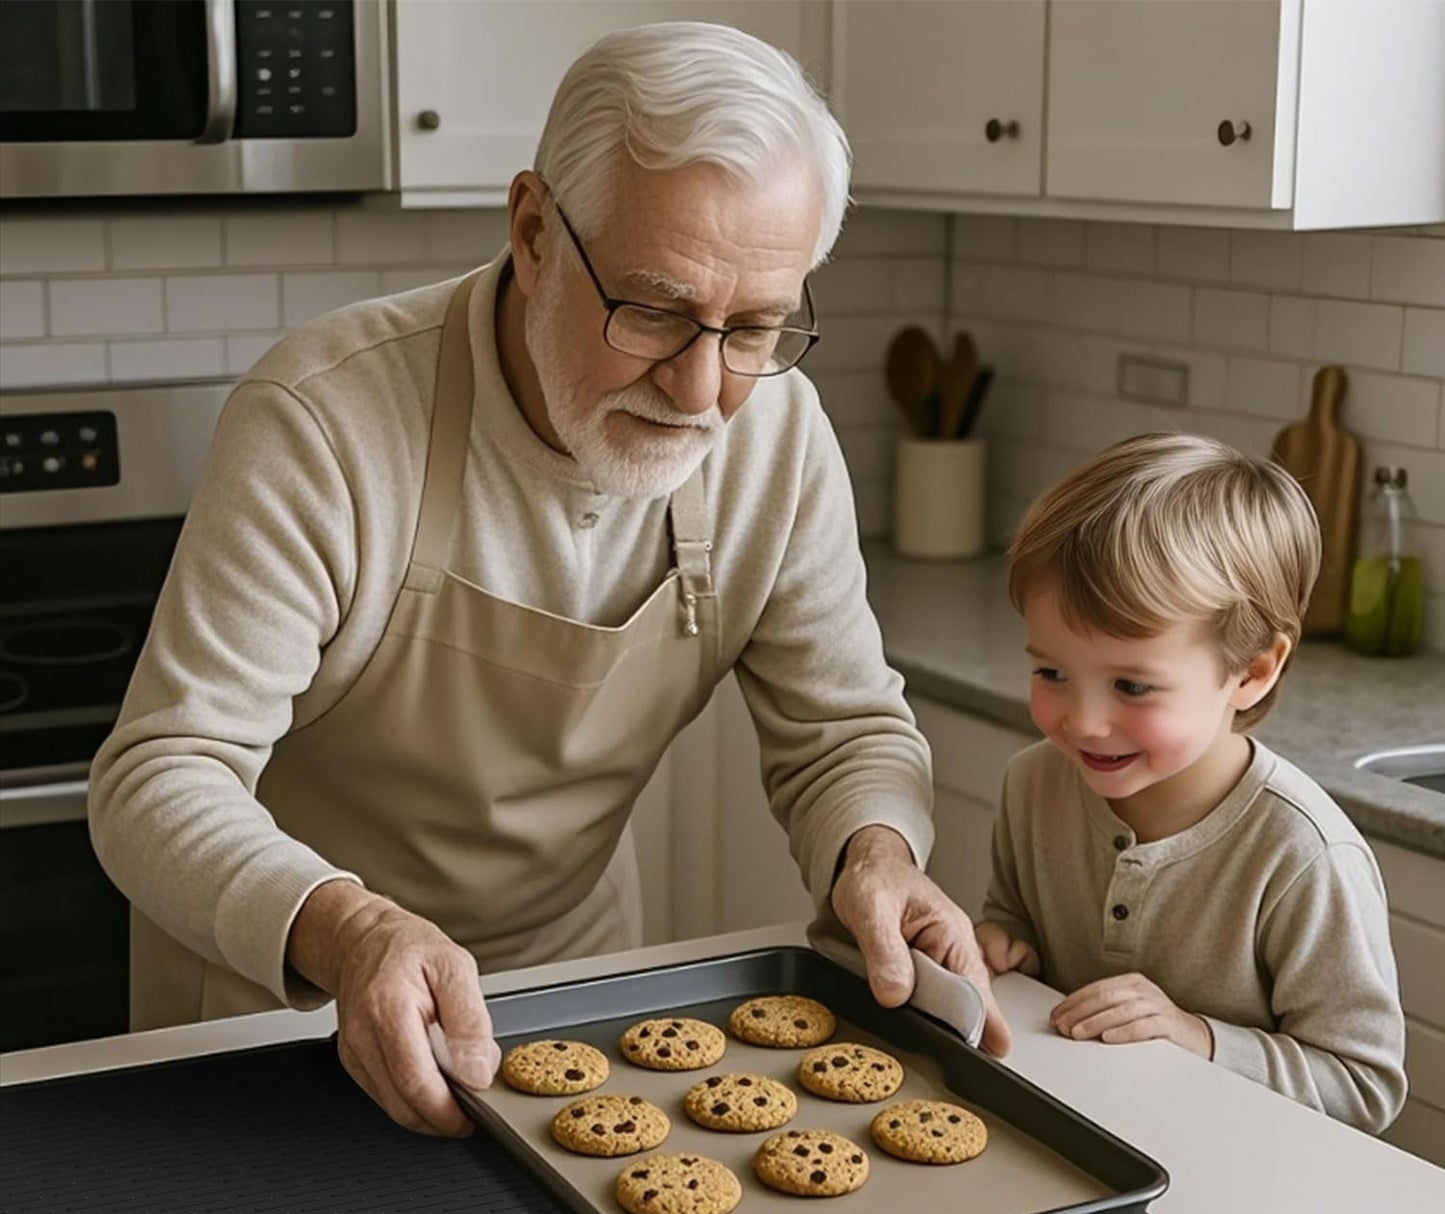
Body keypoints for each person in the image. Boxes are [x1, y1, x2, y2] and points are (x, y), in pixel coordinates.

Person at [89, 21, 1008, 1140]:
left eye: (756, 326)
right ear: (532, 231)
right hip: (276, 1007)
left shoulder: (775, 434)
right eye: (654, 309)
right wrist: (352, 931)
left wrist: (877, 850)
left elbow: (845, 729)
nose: (701, 387)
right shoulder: (323, 421)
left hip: (572, 999)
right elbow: (157, 779)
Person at [975, 433, 1406, 1133]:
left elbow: (1363, 1084)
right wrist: (1001, 940)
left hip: (1242, 1179)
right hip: (1070, 1142)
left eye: (1132, 685)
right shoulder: (1031, 784)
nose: (1082, 722)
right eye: (1051, 672)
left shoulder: (1302, 854)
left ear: (1252, 671)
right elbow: (1015, 917)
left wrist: (1199, 1039)